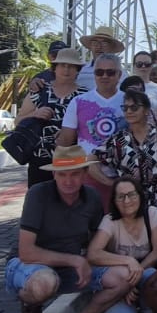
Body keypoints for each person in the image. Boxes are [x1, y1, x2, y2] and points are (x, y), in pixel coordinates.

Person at [3, 145, 138, 313]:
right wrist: (75, 260)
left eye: (74, 174)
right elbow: (26, 252)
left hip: (69, 269)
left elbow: (97, 243)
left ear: (85, 173)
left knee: (125, 276)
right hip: (30, 265)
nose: (68, 181)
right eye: (62, 174)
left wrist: (125, 267)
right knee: (44, 283)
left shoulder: (92, 197)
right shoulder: (38, 194)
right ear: (54, 174)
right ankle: (30, 305)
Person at [86, 176, 157, 313]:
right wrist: (128, 263)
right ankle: (117, 311)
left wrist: (135, 274)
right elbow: (93, 253)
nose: (127, 201)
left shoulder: (151, 213)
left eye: (131, 194)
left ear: (140, 195)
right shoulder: (110, 220)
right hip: (117, 278)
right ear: (114, 201)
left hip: (141, 272)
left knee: (150, 276)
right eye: (121, 196)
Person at [95, 88, 157, 227]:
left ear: (146, 110)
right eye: (125, 108)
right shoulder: (117, 139)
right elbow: (91, 161)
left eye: (134, 107)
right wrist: (111, 183)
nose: (129, 111)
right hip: (127, 201)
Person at [57, 51, 125, 210]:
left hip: (123, 176)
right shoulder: (78, 102)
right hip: (87, 176)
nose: (104, 76)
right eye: (99, 72)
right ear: (94, 74)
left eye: (110, 72)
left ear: (119, 75)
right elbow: (65, 142)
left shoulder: (129, 101)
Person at [17, 46, 85, 187]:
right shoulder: (39, 90)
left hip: (71, 161)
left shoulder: (85, 96)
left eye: (71, 66)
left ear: (77, 70)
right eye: (62, 65)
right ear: (55, 68)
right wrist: (35, 114)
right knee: (38, 198)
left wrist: (71, 133)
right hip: (40, 159)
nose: (66, 70)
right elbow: (18, 121)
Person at [75, 26, 125, 91]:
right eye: (95, 43)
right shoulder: (80, 70)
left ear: (111, 47)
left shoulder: (121, 74)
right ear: (91, 47)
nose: (99, 46)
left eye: (104, 43)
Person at [130, 51, 157, 123]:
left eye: (147, 64)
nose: (143, 66)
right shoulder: (124, 87)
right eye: (139, 64)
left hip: (154, 129)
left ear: (151, 66)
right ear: (134, 66)